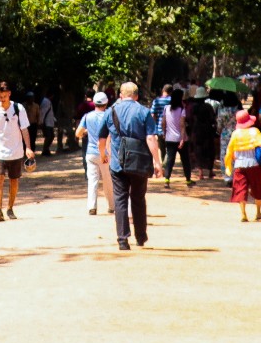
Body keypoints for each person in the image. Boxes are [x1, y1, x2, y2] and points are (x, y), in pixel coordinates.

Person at [96, 82, 161, 250]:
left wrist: (103, 155)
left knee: (120, 199)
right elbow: (151, 138)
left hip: (118, 163)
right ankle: (141, 236)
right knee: (138, 198)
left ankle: (122, 239)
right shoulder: (144, 112)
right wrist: (157, 162)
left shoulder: (110, 112)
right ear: (137, 96)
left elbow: (101, 139)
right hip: (139, 162)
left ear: (120, 95)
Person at [0, 81, 33, 220]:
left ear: (9, 94)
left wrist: (28, 147)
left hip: (16, 150)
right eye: (0, 96)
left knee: (14, 180)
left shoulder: (18, 108)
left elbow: (24, 129)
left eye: (5, 95)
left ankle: (10, 208)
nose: (2, 98)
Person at [224, 110, 261, 221]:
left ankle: (243, 214)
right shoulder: (255, 131)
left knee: (240, 189)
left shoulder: (235, 134)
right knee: (257, 188)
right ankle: (258, 213)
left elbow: (230, 151)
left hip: (239, 165)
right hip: (254, 165)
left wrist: (229, 164)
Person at [77, 90, 114, 214]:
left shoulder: (87, 116)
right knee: (108, 180)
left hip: (91, 153)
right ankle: (112, 206)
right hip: (106, 154)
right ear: (106, 103)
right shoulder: (109, 116)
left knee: (92, 180)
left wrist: (87, 132)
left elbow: (78, 133)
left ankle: (92, 207)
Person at [158, 84, 193, 185]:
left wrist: (164, 133)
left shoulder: (166, 108)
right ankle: (188, 180)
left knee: (170, 160)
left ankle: (167, 180)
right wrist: (182, 139)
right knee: (185, 160)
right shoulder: (182, 109)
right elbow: (182, 125)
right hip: (181, 139)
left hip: (170, 138)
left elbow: (163, 123)